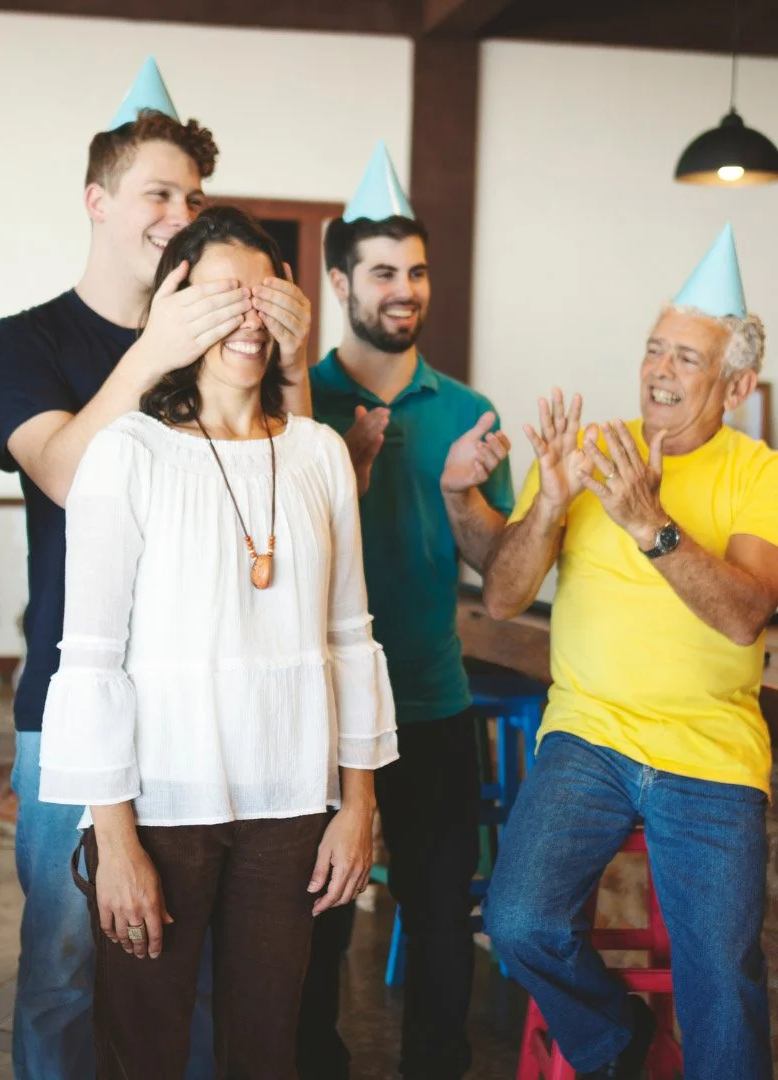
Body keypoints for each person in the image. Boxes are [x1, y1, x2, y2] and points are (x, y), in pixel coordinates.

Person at [0, 88, 313, 1077]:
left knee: (199, 971)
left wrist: (289, 367)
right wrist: (154, 350)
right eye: (157, 194)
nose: (180, 218)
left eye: (194, 197)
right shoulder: (28, 339)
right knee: (64, 964)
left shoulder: (230, 349)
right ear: (96, 199)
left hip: (208, 711)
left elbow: (290, 515)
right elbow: (67, 475)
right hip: (69, 699)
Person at [37, 204, 396, 1080]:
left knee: (268, 1047)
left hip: (290, 802)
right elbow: (89, 657)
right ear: (174, 307)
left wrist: (357, 803)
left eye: (265, 292)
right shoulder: (128, 453)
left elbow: (350, 636)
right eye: (220, 294)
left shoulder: (315, 454)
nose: (248, 317)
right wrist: (113, 839)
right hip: (162, 804)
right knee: (143, 1046)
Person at [483, 225, 778, 1080]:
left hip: (712, 754)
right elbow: (503, 598)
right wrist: (548, 504)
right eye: (655, 350)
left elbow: (744, 616)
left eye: (688, 358)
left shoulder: (759, 472)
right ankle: (618, 1045)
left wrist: (652, 524)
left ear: (737, 382)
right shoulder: (586, 451)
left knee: (722, 977)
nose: (660, 370)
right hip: (589, 738)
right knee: (520, 921)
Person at [301, 153, 514, 1080]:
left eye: (417, 271)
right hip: (319, 705)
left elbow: (496, 568)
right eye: (384, 271)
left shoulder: (468, 410)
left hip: (427, 693)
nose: (405, 289)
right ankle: (314, 1064)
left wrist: (466, 495)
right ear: (340, 282)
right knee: (317, 914)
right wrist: (343, 464)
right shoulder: (292, 401)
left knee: (437, 913)